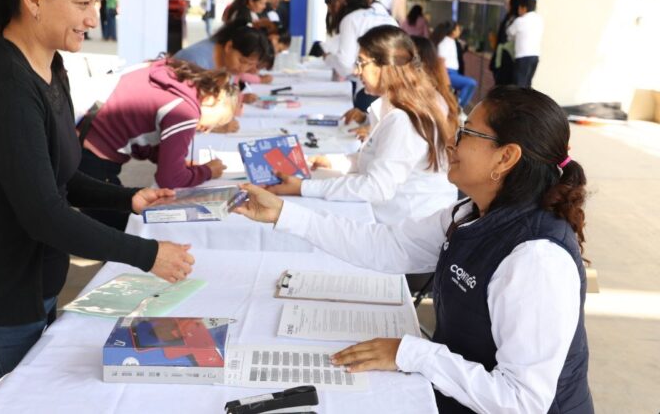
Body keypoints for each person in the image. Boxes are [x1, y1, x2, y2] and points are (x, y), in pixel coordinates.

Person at [0, 0, 195, 410]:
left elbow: (60, 175)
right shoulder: (4, 86)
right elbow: (44, 213)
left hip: (28, 288)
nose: (95, 18)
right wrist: (147, 254)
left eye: (97, 2)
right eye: (83, 3)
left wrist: (125, 198)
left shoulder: (50, 67)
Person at [235, 85, 593, 414]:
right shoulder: (470, 213)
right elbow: (387, 246)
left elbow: (521, 401)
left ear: (506, 158)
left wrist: (413, 353)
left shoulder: (536, 260)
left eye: (468, 133)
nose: (452, 143)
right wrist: (284, 214)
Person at [269, 25, 457, 225]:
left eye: (361, 62)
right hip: (404, 219)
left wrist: (303, 187)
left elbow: (376, 187)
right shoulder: (408, 103)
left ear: (386, 65)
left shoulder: (403, 118)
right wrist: (337, 163)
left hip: (408, 227)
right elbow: (379, 157)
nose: (356, 71)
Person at [78, 58, 238, 230]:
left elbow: (143, 128)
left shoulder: (176, 78)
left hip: (83, 131)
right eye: (217, 122)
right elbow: (169, 179)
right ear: (214, 99)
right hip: (93, 154)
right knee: (126, 228)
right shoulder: (185, 111)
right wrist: (207, 171)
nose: (207, 130)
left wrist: (175, 163)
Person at [324, 0, 396, 79]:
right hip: (395, 82)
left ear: (346, 1)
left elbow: (345, 64)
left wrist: (329, 58)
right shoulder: (388, 18)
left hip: (370, 83)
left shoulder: (351, 20)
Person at [173, 21, 273, 74]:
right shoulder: (196, 61)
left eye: (249, 65)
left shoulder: (228, 64)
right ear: (229, 46)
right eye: (242, 61)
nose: (242, 69)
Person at [432, 21, 477, 109]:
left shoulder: (452, 41)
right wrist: (444, 77)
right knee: (471, 83)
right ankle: (457, 107)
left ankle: (457, 107)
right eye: (458, 29)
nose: (459, 31)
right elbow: (441, 60)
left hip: (454, 72)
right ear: (452, 31)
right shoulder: (444, 42)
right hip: (447, 72)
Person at [507, 0, 544, 88]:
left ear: (524, 8)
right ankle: (528, 102)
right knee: (528, 83)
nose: (518, 10)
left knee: (519, 86)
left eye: (520, 8)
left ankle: (519, 102)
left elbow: (509, 33)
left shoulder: (520, 21)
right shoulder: (539, 19)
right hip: (535, 56)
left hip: (522, 57)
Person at [491, 0, 519, 86]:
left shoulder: (515, 19)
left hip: (506, 54)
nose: (507, 6)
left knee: (502, 78)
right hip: (505, 53)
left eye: (509, 4)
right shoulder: (510, 17)